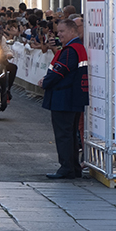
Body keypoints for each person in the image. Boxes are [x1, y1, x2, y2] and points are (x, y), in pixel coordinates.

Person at [39, 18, 88, 180]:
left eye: (62, 31)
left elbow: (60, 71)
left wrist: (45, 82)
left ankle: (66, 168)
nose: (59, 35)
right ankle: (73, 167)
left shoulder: (70, 50)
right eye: (58, 32)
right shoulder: (78, 48)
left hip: (64, 98)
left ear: (73, 31)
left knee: (64, 135)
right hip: (73, 98)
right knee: (71, 134)